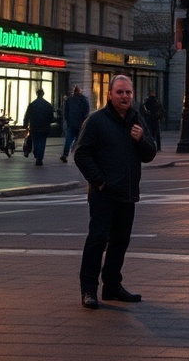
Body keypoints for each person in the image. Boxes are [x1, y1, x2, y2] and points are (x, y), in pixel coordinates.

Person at [74, 74, 156, 308]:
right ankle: (88, 290)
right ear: (110, 94)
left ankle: (112, 287)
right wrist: (99, 181)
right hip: (103, 194)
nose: (124, 96)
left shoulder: (137, 119)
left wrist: (141, 139)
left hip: (126, 193)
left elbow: (149, 154)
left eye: (128, 92)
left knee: (120, 242)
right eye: (120, 92)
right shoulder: (96, 120)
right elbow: (81, 154)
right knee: (98, 239)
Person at [24, 87, 55, 166]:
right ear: (43, 94)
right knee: (42, 142)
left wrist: (25, 124)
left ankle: (36, 152)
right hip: (44, 126)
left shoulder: (32, 104)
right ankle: (39, 159)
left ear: (37, 94)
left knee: (36, 141)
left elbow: (27, 115)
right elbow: (51, 117)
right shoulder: (48, 105)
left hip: (34, 126)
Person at [60, 85, 91, 163]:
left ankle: (65, 154)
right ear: (80, 91)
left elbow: (66, 112)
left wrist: (68, 121)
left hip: (71, 123)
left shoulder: (69, 100)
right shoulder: (84, 100)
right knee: (80, 140)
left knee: (68, 139)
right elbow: (86, 112)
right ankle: (78, 154)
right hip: (81, 124)